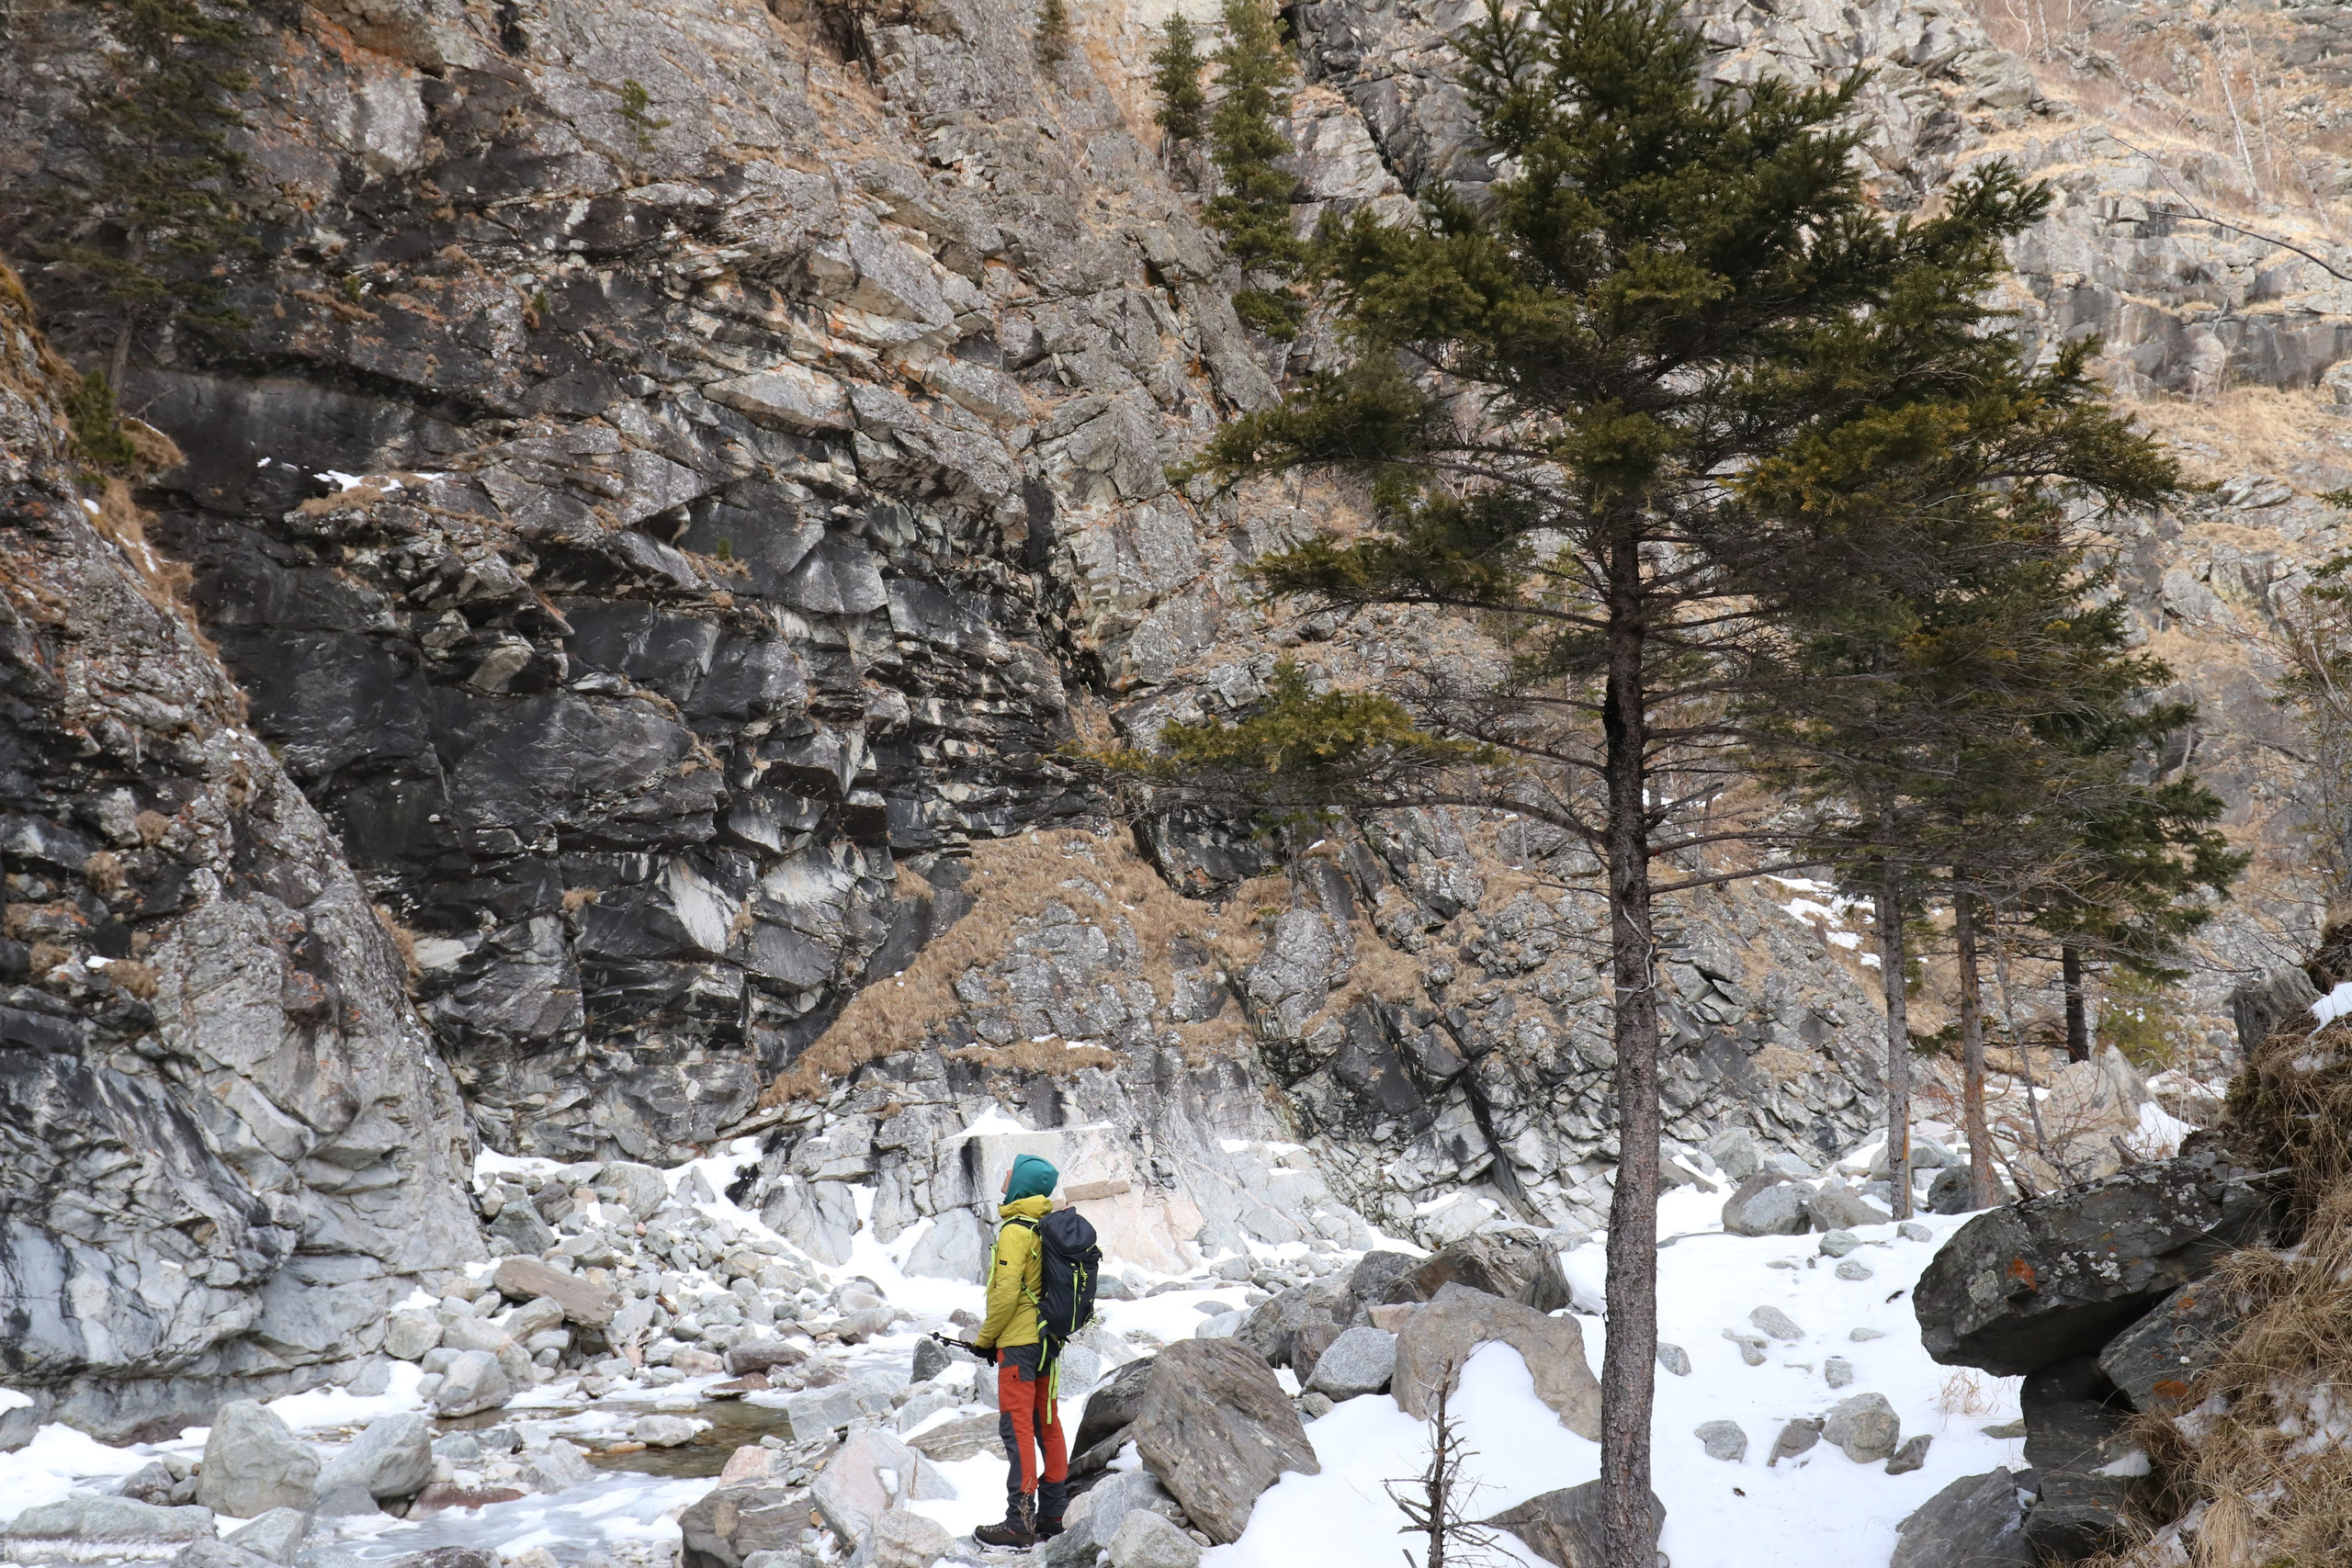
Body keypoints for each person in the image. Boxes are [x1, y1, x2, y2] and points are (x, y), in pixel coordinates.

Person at [972, 1153, 1069, 1548]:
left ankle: (1019, 1524)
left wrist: (985, 1339)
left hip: (1019, 1344)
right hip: (1048, 1341)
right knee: (1048, 1423)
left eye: (1010, 1170)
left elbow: (1006, 1292)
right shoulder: (1046, 1224)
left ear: (1022, 1183)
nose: (1005, 1174)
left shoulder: (1016, 1228)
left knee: (1018, 1428)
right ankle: (1052, 1515)